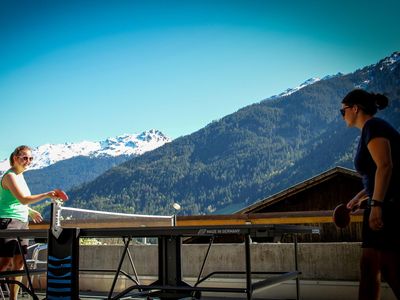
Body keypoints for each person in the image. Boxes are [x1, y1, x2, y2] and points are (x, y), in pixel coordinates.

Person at [341, 89, 400, 300]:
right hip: (380, 204)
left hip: (388, 207)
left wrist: (376, 206)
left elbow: (386, 166)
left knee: (391, 269)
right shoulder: (369, 130)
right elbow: (376, 175)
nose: (342, 115)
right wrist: (359, 199)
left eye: (343, 110)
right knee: (369, 268)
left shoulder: (373, 126)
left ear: (355, 108)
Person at [0, 145, 57, 300]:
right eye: (24, 157)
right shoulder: (10, 176)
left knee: (19, 263)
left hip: (22, 222)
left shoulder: (21, 176)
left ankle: (13, 298)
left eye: (30, 158)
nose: (28, 161)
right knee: (4, 262)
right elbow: (23, 199)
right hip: (8, 221)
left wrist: (30, 211)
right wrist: (46, 194)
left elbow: (18, 202)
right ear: (15, 158)